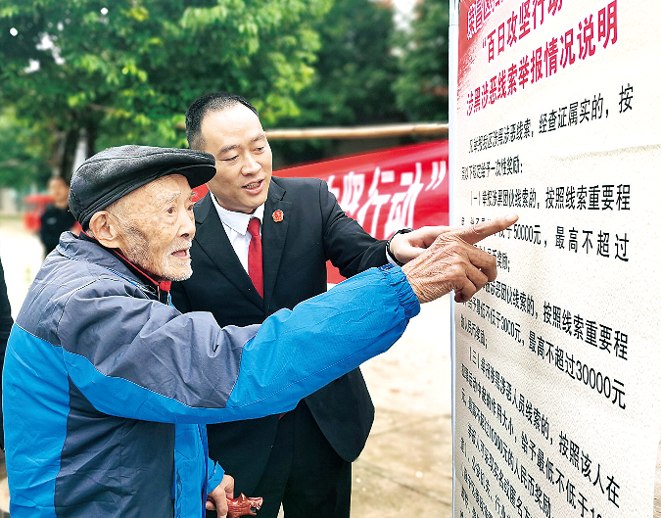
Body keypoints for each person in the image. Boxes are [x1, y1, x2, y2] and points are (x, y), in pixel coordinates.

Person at [2, 144, 517, 518]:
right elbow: (223, 370)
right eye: (167, 211)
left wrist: (203, 478)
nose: (188, 225)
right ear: (105, 228)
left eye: (187, 206)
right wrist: (401, 288)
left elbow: (152, 402)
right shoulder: (86, 305)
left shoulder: (126, 274)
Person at [171, 92, 481, 518]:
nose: (252, 166)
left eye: (259, 147)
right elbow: (181, 349)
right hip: (236, 436)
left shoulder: (310, 200)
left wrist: (395, 248)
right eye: (230, 156)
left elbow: (361, 253)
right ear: (203, 164)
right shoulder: (183, 232)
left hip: (321, 419)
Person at [38, 176, 78, 257]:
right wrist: (69, 238)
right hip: (54, 260)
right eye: (53, 187)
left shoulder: (78, 212)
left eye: (59, 186)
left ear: (68, 188)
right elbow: (46, 240)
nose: (56, 190)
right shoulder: (46, 215)